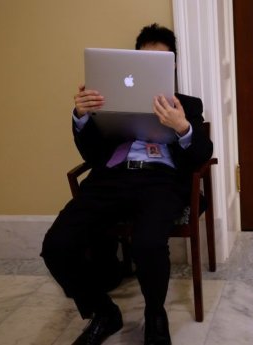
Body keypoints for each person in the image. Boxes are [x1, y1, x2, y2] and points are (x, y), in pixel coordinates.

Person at [41, 23, 213, 345]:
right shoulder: (109, 97)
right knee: (56, 245)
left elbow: (203, 154)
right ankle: (104, 312)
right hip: (112, 178)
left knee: (148, 243)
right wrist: (80, 116)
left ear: (172, 65)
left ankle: (154, 316)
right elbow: (91, 153)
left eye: (160, 62)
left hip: (160, 181)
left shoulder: (188, 104)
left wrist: (183, 128)